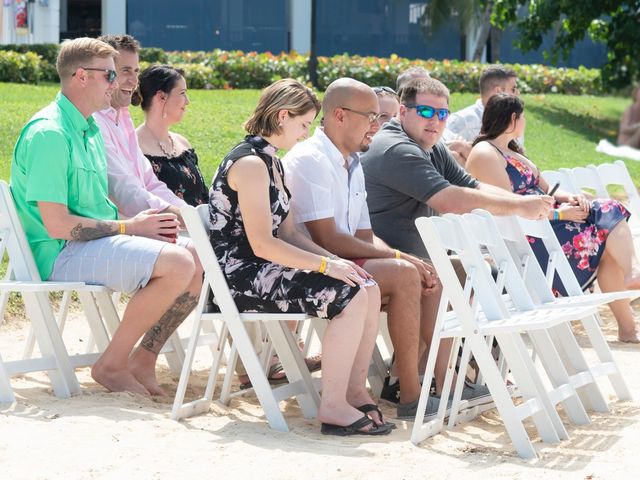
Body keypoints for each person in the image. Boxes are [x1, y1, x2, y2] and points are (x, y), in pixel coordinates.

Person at [282, 78, 489, 420]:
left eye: (379, 118)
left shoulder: (352, 163)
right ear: (340, 116)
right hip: (311, 267)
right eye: (370, 117)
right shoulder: (311, 159)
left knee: (426, 273)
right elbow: (328, 239)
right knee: (407, 273)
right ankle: (409, 393)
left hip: (345, 262)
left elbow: (365, 236)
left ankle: (440, 381)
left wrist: (407, 258)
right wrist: (398, 259)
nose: (377, 126)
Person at [9, 38, 203, 396]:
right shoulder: (49, 134)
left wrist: (142, 224)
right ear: (81, 76)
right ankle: (112, 364)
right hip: (59, 253)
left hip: (91, 244)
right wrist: (133, 227)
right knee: (177, 262)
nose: (118, 83)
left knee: (197, 256)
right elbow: (57, 225)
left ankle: (143, 359)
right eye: (110, 75)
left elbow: (108, 205)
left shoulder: (91, 131)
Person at [208, 78, 392, 435]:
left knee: (364, 284)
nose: (307, 133)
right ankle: (333, 405)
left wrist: (341, 264)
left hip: (265, 269)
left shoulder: (272, 163)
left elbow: (290, 233)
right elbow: (261, 245)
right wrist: (327, 265)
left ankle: (353, 390)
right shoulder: (249, 164)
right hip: (241, 279)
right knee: (351, 295)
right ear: (281, 116)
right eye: (304, 124)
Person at [466, 93, 640, 343]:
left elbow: (547, 190)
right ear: (513, 118)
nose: (525, 121)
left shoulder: (511, 151)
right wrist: (561, 213)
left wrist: (573, 200)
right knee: (609, 212)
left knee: (607, 236)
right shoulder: (485, 153)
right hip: (532, 241)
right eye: (523, 116)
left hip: (547, 225)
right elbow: (508, 206)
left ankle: (628, 326)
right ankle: (632, 275)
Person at [362, 77, 553, 261]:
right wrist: (520, 206)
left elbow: (473, 186)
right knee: (490, 277)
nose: (435, 121)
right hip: (393, 262)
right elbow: (450, 200)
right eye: (426, 112)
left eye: (443, 114)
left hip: (424, 262)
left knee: (488, 274)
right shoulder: (397, 148)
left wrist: (527, 202)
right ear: (403, 112)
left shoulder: (432, 145)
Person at [93, 35, 189, 219]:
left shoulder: (122, 117)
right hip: (120, 229)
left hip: (143, 224)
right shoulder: (95, 123)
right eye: (126, 71)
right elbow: (123, 191)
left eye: (136, 71)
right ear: (106, 74)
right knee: (195, 247)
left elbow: (150, 183)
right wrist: (178, 216)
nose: (134, 80)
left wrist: (188, 213)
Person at [135, 65, 208, 206]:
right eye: (182, 93)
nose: (187, 101)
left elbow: (203, 196)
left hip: (199, 225)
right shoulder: (134, 146)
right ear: (161, 96)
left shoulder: (183, 143)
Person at [443, 65, 520, 166]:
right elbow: (444, 158)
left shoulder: (513, 120)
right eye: (513, 89)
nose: (517, 94)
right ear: (499, 91)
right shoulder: (461, 120)